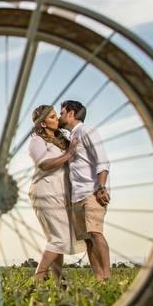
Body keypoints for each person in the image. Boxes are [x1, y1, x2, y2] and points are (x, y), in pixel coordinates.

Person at [27, 105, 83, 282]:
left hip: (60, 195)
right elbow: (44, 164)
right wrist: (69, 154)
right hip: (44, 193)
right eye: (52, 117)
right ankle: (37, 279)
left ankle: (60, 283)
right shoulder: (37, 141)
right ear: (42, 123)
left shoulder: (59, 141)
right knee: (60, 238)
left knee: (58, 239)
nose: (57, 119)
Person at [59, 100, 112, 281]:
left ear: (71, 113)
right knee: (88, 240)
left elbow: (102, 160)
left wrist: (101, 186)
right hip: (77, 197)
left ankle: (107, 277)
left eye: (62, 112)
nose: (60, 116)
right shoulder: (71, 137)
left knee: (96, 233)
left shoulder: (86, 130)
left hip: (92, 193)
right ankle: (99, 280)